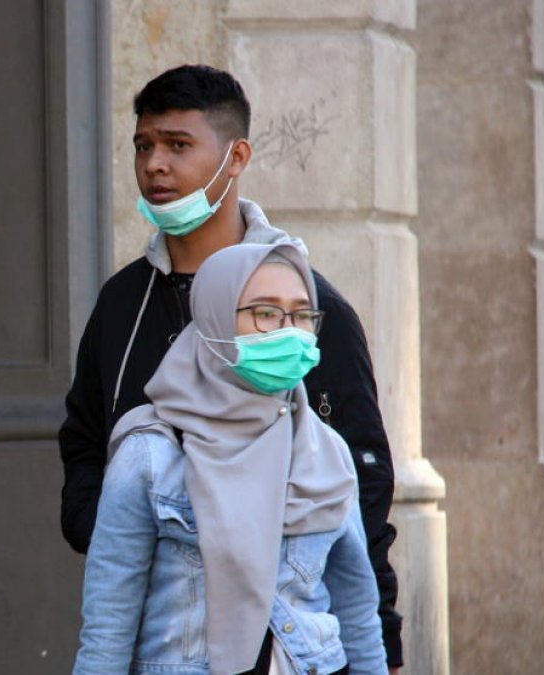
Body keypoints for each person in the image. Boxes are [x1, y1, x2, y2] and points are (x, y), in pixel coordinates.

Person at [58, 64, 403, 670]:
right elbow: (86, 439)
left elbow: (360, 485)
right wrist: (121, 532)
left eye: (178, 145)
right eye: (144, 145)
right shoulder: (121, 303)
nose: (155, 165)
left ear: (236, 156)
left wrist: (383, 643)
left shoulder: (311, 313)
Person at [73, 243, 385, 675]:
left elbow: (358, 612)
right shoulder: (150, 456)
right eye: (266, 313)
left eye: (301, 315)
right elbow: (108, 631)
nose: (288, 332)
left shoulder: (325, 450)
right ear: (216, 318)